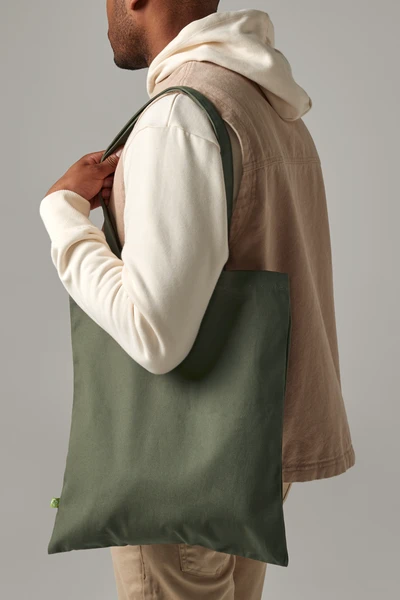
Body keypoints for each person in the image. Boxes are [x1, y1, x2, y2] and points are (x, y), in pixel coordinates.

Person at [39, 2, 356, 598]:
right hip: (248, 448)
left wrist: (63, 218)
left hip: (180, 463)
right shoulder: (265, 100)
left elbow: (153, 333)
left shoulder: (178, 119)